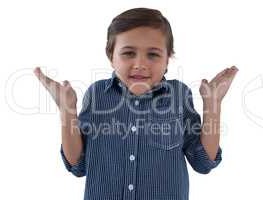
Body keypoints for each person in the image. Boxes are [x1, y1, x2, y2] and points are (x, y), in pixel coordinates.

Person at [34, 7, 238, 200]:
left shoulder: (179, 95)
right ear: (111, 57)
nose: (140, 64)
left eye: (153, 54)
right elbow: (78, 165)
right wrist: (67, 110)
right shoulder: (97, 95)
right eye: (128, 53)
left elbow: (203, 162)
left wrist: (213, 105)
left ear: (168, 59)